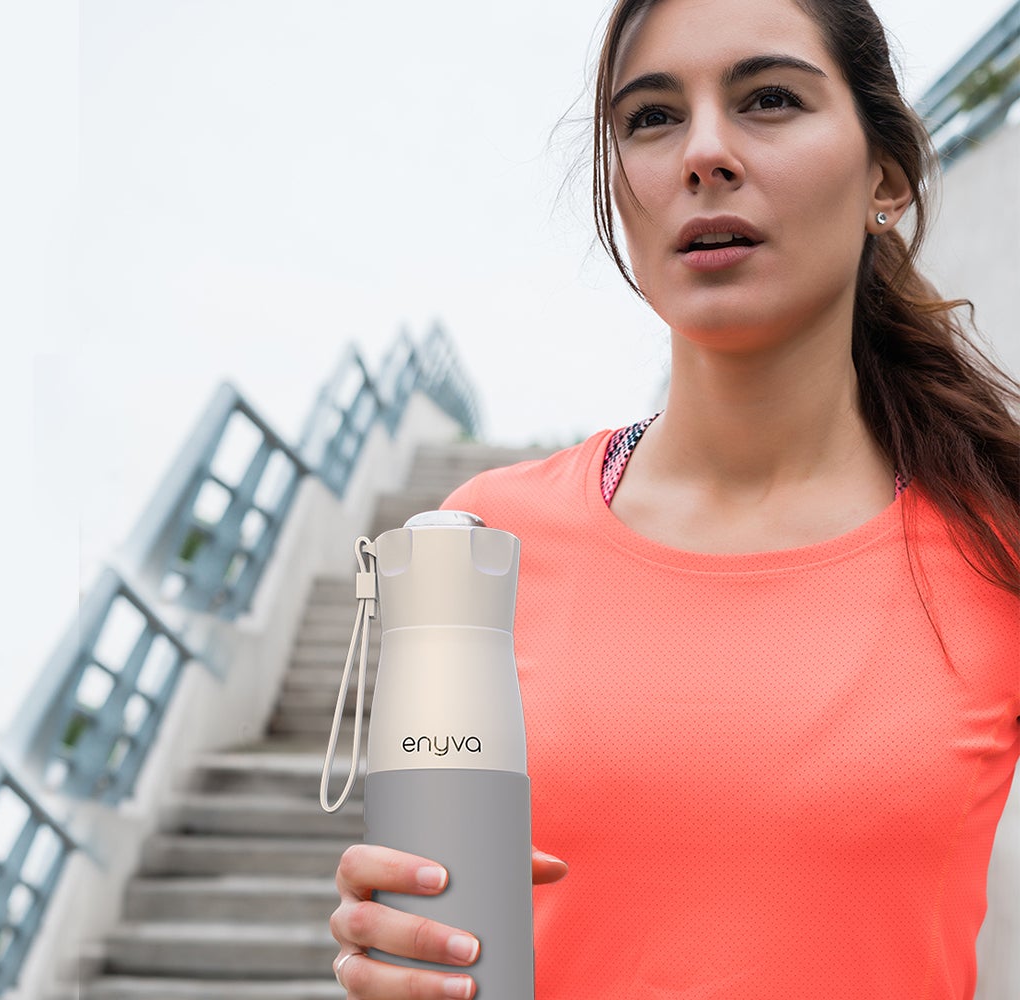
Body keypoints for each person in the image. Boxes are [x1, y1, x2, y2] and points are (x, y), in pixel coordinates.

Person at [326, 0, 1020, 997]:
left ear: (886, 175)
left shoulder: (997, 541)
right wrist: (396, 949)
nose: (704, 154)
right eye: (651, 117)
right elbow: (433, 921)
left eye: (769, 99)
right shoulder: (483, 541)